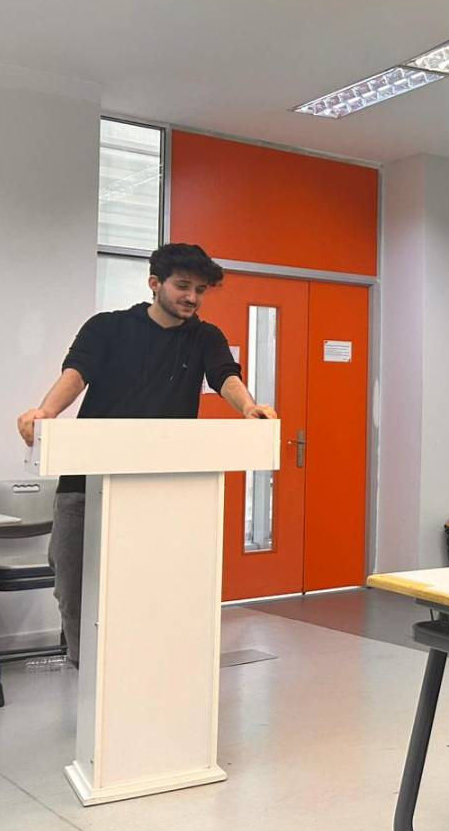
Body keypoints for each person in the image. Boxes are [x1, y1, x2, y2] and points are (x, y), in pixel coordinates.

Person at [15, 244, 275, 665]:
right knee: (73, 584)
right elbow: (76, 373)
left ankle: (146, 670)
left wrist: (248, 407)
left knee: (151, 587)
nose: (192, 297)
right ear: (155, 283)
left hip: (161, 488)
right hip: (85, 485)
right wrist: (45, 413)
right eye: (183, 286)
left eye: (200, 290)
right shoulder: (107, 327)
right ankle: (84, 669)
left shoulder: (205, 337)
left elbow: (225, 376)